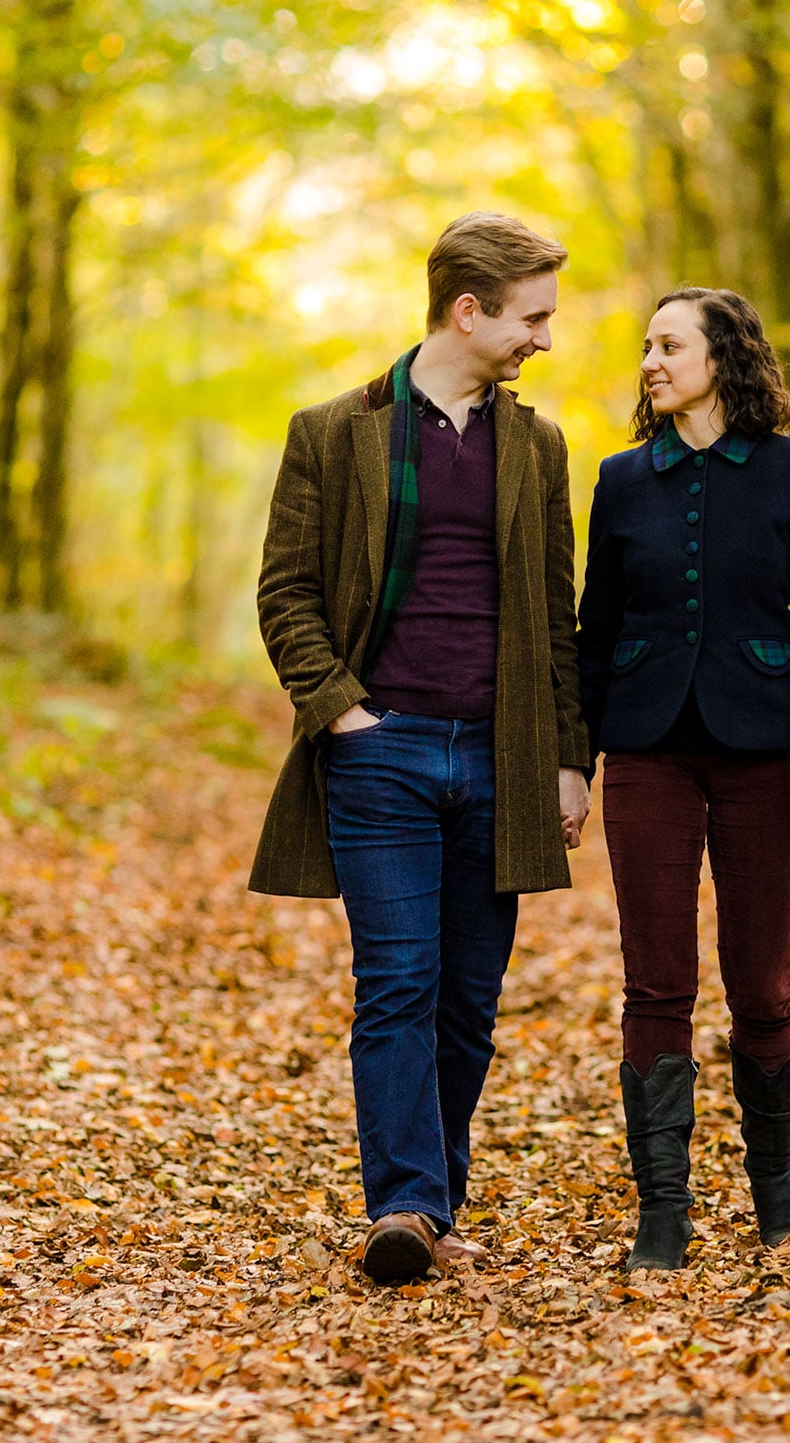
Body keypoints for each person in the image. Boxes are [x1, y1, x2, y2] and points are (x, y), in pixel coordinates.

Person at [251, 213, 592, 1285]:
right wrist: (343, 711)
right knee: (395, 981)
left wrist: (568, 758)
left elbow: (554, 612)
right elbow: (286, 594)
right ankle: (403, 1204)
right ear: (467, 309)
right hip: (381, 757)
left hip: (501, 755)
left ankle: (432, 1204)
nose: (543, 336)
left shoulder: (535, 447)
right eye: (531, 315)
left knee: (468, 996)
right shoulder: (332, 431)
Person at [575, 287, 790, 1272]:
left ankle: (777, 1187)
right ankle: (663, 1210)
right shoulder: (620, 480)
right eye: (646, 346)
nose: (651, 362)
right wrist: (577, 761)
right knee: (656, 977)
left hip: (768, 750)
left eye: (668, 345)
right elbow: (593, 631)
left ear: (721, 357)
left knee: (763, 980)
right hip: (646, 749)